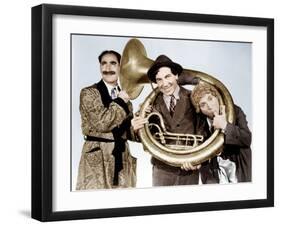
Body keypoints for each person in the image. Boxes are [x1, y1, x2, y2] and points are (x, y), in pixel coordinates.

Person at [132, 55, 214, 186]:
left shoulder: (193, 97)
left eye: (167, 77)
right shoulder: (150, 105)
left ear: (176, 75)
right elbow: (146, 138)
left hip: (189, 168)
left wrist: (198, 160)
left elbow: (203, 133)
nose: (164, 84)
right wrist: (136, 130)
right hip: (162, 169)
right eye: (159, 80)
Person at [76, 50, 137, 190]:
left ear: (121, 67)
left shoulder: (126, 98)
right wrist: (121, 101)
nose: (108, 68)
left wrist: (137, 127)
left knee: (121, 205)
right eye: (104, 63)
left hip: (121, 158)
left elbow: (128, 134)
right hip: (97, 159)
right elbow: (102, 123)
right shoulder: (88, 93)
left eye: (113, 63)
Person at [184, 82, 252, 183]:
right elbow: (199, 149)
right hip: (213, 174)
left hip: (237, 170)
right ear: (200, 109)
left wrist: (225, 125)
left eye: (210, 99)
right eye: (203, 104)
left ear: (217, 97)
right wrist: (196, 162)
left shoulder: (235, 111)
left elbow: (247, 139)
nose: (210, 106)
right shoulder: (199, 122)